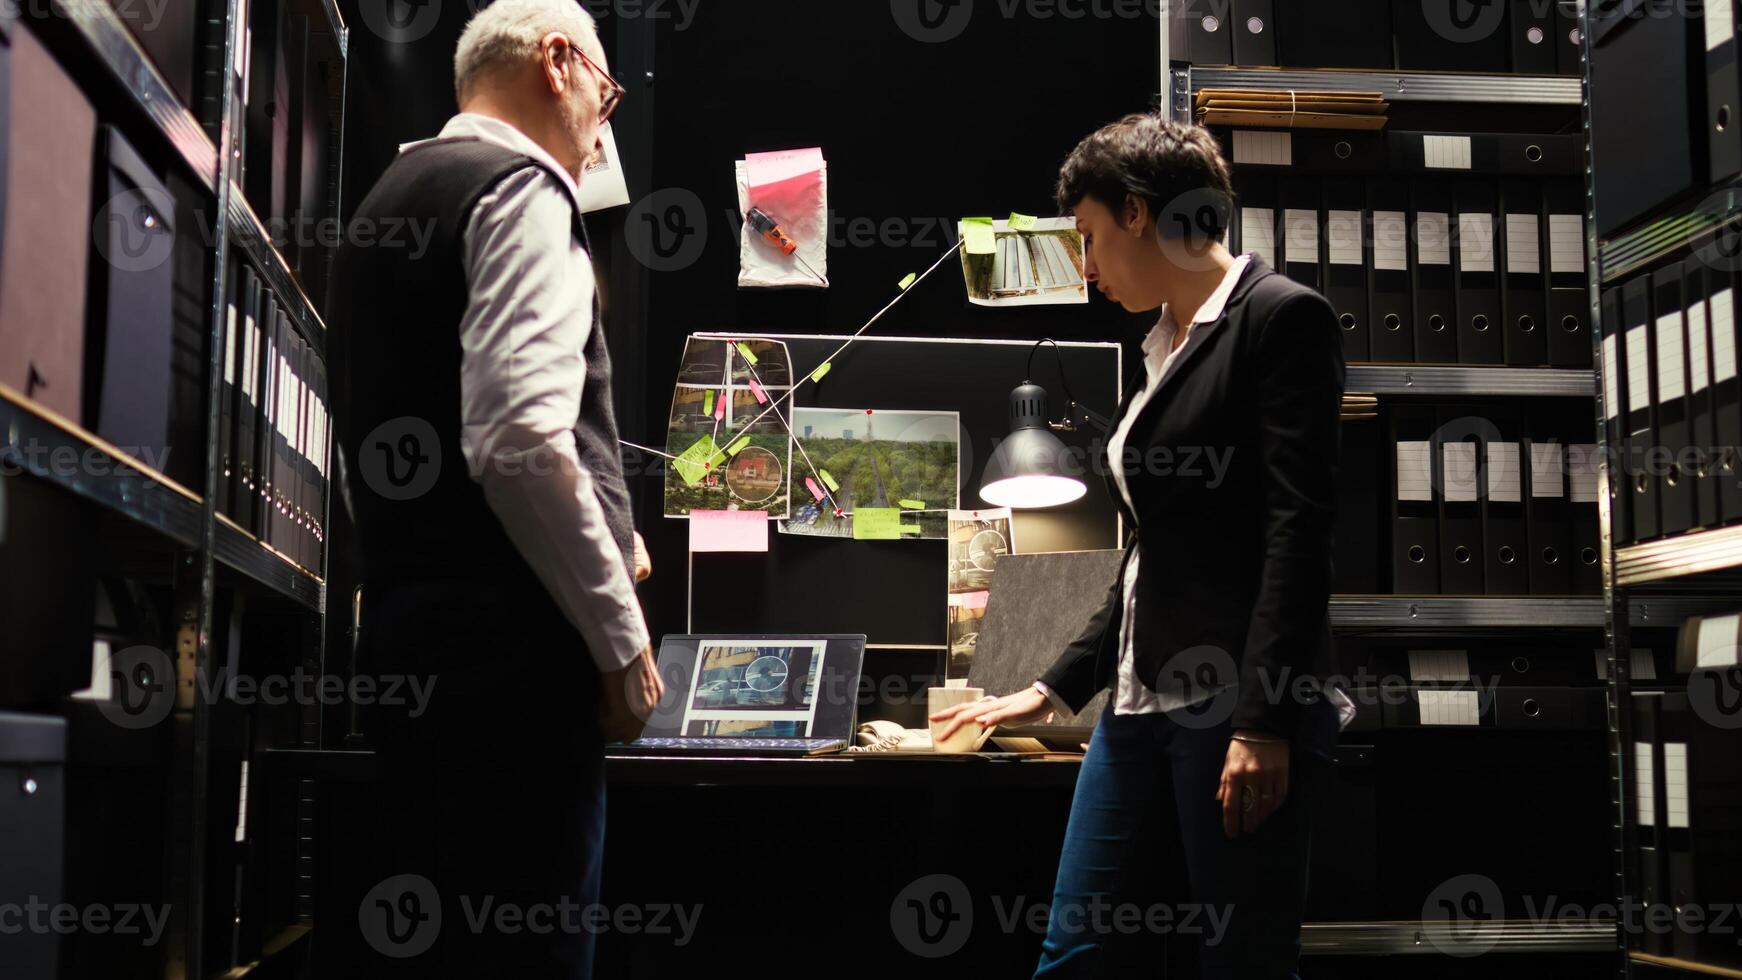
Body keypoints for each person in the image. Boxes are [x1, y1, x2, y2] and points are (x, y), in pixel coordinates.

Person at [932, 114, 1344, 978]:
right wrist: (1050, 686)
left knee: (1244, 963)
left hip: (1233, 707)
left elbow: (1297, 534)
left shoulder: (1280, 319)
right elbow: (1152, 553)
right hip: (1134, 707)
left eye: (1087, 236)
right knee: (1072, 954)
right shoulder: (1159, 343)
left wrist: (1264, 723)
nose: (1084, 266)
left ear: (1137, 213)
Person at [327, 2, 662, 976]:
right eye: (607, 89)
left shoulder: (391, 195)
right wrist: (622, 639)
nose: (606, 118)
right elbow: (516, 441)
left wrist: (602, 525)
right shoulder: (522, 190)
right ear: (558, 63)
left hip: (408, 648)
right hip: (514, 675)